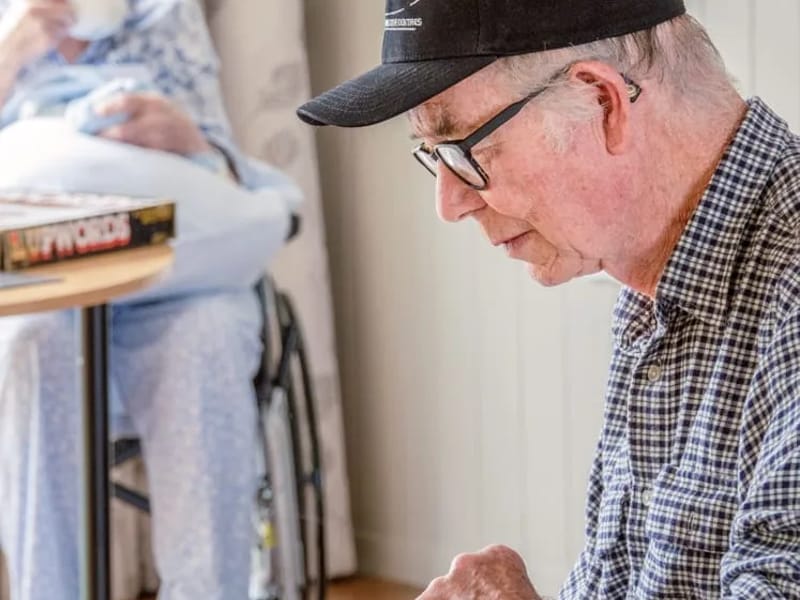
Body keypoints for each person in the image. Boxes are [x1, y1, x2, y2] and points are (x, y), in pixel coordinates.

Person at [298, 0, 800, 597]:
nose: (449, 203)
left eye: (463, 148)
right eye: (433, 156)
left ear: (601, 102)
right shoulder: (656, 279)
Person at [0, 1, 293, 599]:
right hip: (39, 293)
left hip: (176, 283)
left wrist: (191, 141)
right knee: (34, 340)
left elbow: (225, 166)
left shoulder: (165, 13)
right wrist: (17, 46)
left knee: (208, 332)